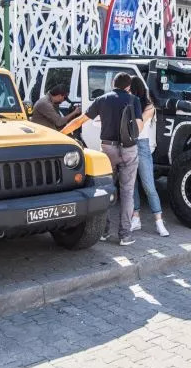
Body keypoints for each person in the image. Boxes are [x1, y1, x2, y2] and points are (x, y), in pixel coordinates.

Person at [62, 73, 143, 246]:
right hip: (129, 149)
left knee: (105, 190)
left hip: (108, 149)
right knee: (128, 192)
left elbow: (80, 121)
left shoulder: (102, 99)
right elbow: (139, 127)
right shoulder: (134, 100)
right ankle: (125, 235)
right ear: (128, 86)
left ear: (113, 83)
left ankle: (104, 231)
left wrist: (61, 134)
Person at [128, 76, 170, 237]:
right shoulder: (130, 103)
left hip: (142, 145)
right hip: (128, 144)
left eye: (129, 89)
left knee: (148, 186)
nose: (127, 92)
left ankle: (159, 222)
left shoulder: (149, 106)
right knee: (132, 185)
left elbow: (138, 126)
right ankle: (135, 218)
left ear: (135, 89)